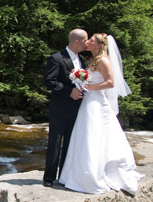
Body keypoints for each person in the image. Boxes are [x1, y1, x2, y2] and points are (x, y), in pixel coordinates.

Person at [59, 33, 144, 194]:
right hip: (88, 101)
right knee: (85, 135)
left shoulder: (103, 60)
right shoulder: (91, 60)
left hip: (95, 102)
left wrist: (89, 87)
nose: (88, 42)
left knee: (92, 134)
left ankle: (94, 173)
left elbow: (110, 82)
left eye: (91, 40)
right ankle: (76, 174)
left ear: (98, 45)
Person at [42, 29, 88, 187]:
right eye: (85, 41)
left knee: (70, 143)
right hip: (60, 108)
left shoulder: (81, 59)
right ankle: (48, 178)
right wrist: (69, 91)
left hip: (77, 108)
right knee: (55, 142)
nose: (87, 43)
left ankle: (64, 176)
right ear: (77, 42)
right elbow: (49, 81)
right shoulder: (56, 58)